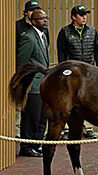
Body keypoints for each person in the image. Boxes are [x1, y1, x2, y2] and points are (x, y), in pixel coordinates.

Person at [57, 5, 98, 139]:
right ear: (73, 17)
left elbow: (97, 53)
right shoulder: (65, 32)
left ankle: (88, 128)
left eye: (85, 15)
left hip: (89, 72)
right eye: (81, 15)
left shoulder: (92, 31)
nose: (84, 18)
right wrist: (63, 71)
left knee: (88, 100)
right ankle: (66, 129)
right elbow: (62, 55)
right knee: (68, 100)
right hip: (72, 73)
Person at [17, 9, 49, 157]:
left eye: (46, 18)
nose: (45, 21)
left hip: (43, 85)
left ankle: (37, 143)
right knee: (31, 118)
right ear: (34, 21)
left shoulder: (43, 36)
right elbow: (22, 64)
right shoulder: (28, 38)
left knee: (42, 117)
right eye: (42, 19)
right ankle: (27, 146)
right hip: (32, 86)